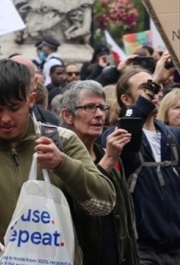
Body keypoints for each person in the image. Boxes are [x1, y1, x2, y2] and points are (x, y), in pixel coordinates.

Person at [0, 60, 116, 264]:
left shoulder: (63, 142)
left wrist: (63, 165)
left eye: (14, 108)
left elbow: (104, 203)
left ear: (31, 99)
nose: (5, 118)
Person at [105, 53, 180, 264]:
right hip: (142, 250)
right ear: (126, 100)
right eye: (145, 87)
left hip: (176, 249)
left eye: (156, 87)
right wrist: (155, 80)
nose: (155, 92)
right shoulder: (115, 135)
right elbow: (129, 125)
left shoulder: (173, 135)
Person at [59, 81, 139, 265]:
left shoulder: (109, 154)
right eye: (90, 107)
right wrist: (108, 161)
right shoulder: (59, 160)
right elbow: (84, 208)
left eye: (102, 108)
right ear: (67, 115)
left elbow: (126, 222)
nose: (99, 114)